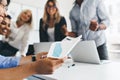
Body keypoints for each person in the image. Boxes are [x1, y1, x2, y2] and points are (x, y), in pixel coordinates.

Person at [0, 0, 65, 79]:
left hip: (12, 50)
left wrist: (35, 57)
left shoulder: (26, 28)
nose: (6, 13)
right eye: (3, 6)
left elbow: (4, 61)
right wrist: (34, 68)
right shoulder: (13, 22)